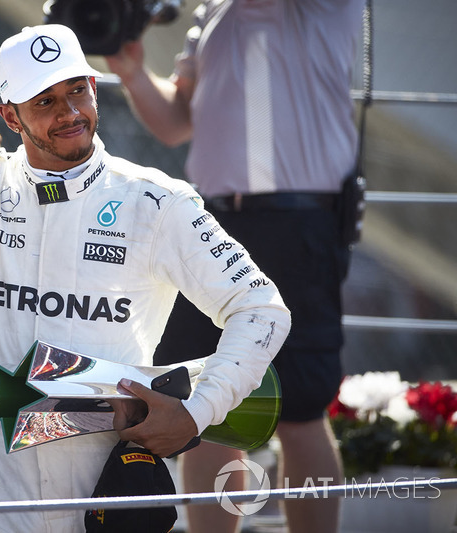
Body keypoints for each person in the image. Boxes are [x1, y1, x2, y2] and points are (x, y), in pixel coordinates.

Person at [0, 23, 291, 532]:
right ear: (10, 116)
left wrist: (198, 412)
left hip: (108, 503)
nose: (69, 113)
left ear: (94, 88)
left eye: (76, 90)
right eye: (45, 101)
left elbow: (261, 309)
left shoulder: (156, 202)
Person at [104, 1, 363, 531]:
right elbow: (177, 123)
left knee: (301, 411)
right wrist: (131, 72)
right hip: (218, 221)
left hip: (300, 222)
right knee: (208, 408)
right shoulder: (213, 13)